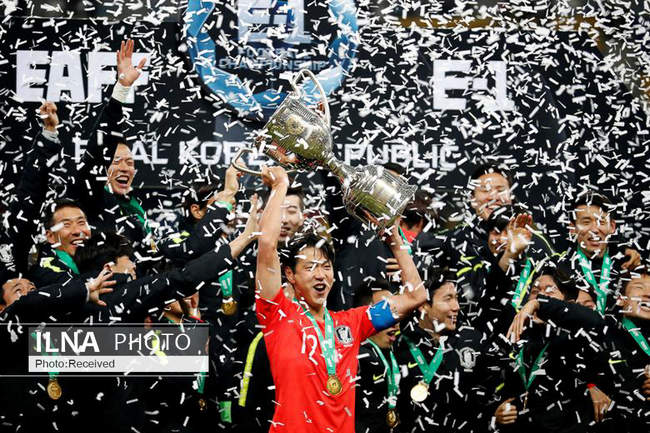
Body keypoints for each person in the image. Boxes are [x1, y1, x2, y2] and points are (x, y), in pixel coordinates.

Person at [255, 165, 428, 433]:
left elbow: (416, 296)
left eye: (326, 267)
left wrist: (395, 239)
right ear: (290, 275)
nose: (320, 275)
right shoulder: (277, 315)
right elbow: (267, 245)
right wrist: (280, 187)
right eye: (310, 267)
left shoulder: (353, 322)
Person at [507, 265, 650, 432]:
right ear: (620, 298)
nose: (648, 294)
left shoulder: (601, 332)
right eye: (639, 288)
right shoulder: (604, 329)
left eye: (550, 290)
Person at [395, 269, 490, 433]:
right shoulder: (401, 346)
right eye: (448, 299)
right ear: (423, 305)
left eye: (457, 298)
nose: (457, 307)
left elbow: (491, 389)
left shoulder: (472, 340)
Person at [560, 191, 640, 313]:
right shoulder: (561, 268)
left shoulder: (627, 263)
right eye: (586, 222)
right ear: (572, 228)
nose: (594, 229)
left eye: (601, 222)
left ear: (612, 227)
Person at [354, 279, 401, 433]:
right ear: (364, 314)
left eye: (394, 312)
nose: (394, 320)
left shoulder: (397, 352)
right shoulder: (352, 359)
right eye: (385, 313)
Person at [28, 198, 91, 287]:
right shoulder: (46, 274)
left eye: (81, 222)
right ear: (51, 236)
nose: (77, 231)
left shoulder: (101, 257)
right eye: (66, 225)